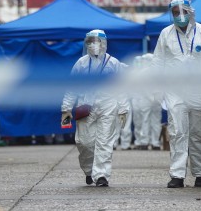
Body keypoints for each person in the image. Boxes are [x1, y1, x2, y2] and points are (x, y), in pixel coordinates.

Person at [153, 0, 201, 188]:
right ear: (171, 14)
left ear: (191, 12)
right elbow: (158, 62)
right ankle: (177, 175)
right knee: (177, 131)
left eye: (183, 12)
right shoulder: (165, 34)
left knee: (199, 133)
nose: (180, 15)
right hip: (175, 90)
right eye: (175, 12)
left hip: (199, 90)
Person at [61, 29, 128, 187]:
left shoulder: (113, 63)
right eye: (89, 42)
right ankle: (89, 170)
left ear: (103, 43)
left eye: (96, 41)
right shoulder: (81, 63)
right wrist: (66, 108)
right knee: (84, 142)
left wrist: (123, 108)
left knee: (104, 141)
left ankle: (102, 175)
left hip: (108, 104)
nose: (93, 45)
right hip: (86, 104)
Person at [130, 53, 163, 150]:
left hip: (146, 100)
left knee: (145, 120)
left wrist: (151, 97)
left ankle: (146, 142)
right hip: (155, 100)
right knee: (155, 121)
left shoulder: (143, 73)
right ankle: (155, 143)